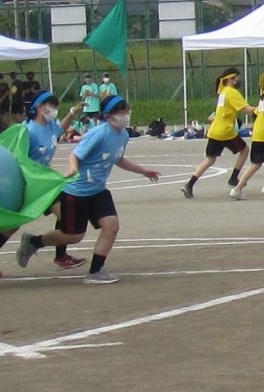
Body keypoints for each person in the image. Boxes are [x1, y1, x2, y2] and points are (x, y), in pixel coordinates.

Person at [15, 95, 159, 284]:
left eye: (126, 110)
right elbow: (75, 154)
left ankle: (95, 271)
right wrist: (74, 169)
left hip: (98, 191)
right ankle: (34, 242)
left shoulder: (123, 135)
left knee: (111, 226)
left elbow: (118, 158)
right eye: (121, 111)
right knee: (74, 236)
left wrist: (143, 171)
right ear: (109, 116)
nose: (126, 114)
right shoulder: (100, 133)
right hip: (76, 192)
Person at [0, 92, 86, 277]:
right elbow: (17, 158)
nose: (54, 110)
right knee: (12, 224)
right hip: (28, 183)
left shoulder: (49, 126)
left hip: (43, 183)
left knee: (65, 213)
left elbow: (58, 131)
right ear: (40, 107)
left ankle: (60, 256)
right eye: (51, 105)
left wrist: (72, 113)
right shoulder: (28, 131)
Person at [180, 67, 255, 199]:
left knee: (210, 159)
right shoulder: (232, 92)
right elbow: (248, 110)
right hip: (226, 132)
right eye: (237, 78)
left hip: (215, 131)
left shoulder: (223, 91)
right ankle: (233, 178)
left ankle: (189, 184)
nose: (239, 80)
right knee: (244, 150)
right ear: (230, 79)